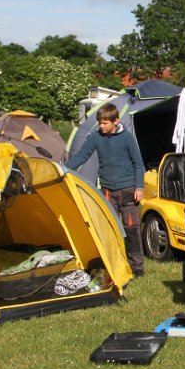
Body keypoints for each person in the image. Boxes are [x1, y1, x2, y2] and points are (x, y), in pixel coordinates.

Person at [66, 103, 146, 276]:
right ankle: (111, 262)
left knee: (131, 228)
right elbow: (81, 156)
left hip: (128, 190)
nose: (101, 126)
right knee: (108, 228)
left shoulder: (127, 138)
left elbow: (138, 164)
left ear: (115, 121)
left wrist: (139, 187)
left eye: (104, 123)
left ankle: (137, 266)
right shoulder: (96, 137)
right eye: (100, 123)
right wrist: (64, 169)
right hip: (108, 191)